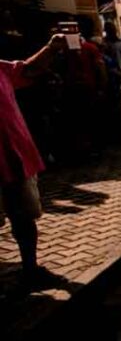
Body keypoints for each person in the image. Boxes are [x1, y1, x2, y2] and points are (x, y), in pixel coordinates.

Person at [1, 34, 66, 289]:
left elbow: (28, 69)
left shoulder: (0, 69)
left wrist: (51, 48)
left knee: (24, 217)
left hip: (14, 156)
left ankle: (31, 268)